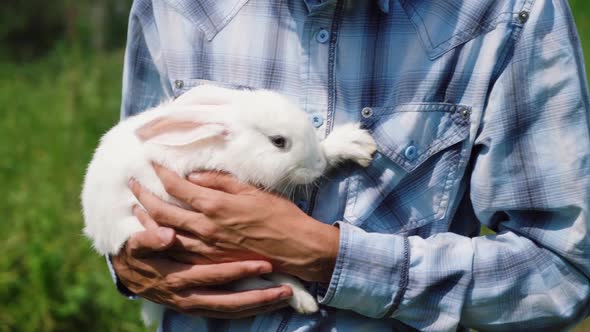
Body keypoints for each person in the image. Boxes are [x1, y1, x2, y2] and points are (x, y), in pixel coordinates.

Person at [108, 0, 590, 331]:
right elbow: (127, 187)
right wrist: (132, 265)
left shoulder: (507, 12)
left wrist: (329, 255)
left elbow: (563, 273)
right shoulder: (171, 8)